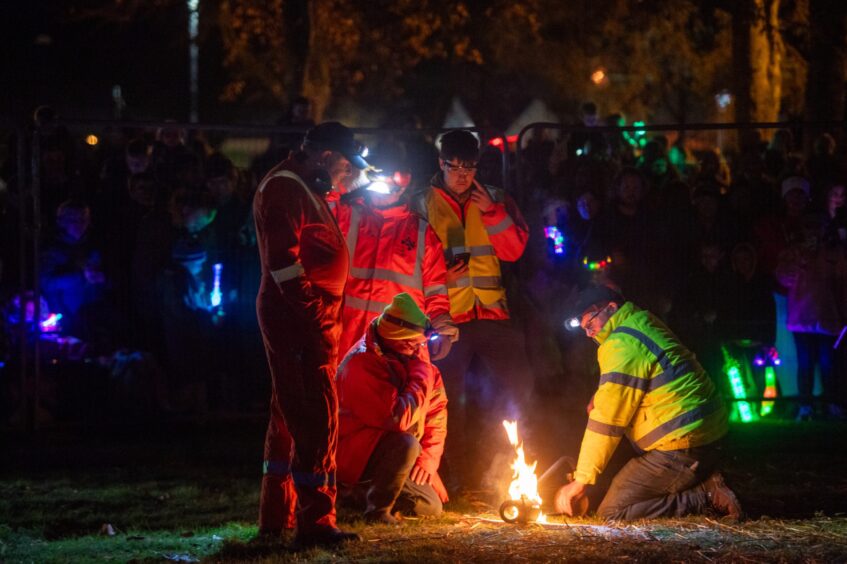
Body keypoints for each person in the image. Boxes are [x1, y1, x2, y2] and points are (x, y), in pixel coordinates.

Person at [254, 121, 366, 547]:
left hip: (302, 318)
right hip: (299, 321)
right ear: (324, 156)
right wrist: (318, 316)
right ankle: (316, 522)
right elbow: (286, 265)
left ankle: (277, 517)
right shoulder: (286, 189)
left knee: (289, 416)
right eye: (343, 166)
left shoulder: (302, 185)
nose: (345, 175)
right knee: (315, 416)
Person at [555, 284, 742, 521]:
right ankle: (704, 478)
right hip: (708, 433)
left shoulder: (620, 343)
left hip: (682, 445)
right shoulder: (641, 322)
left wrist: (580, 481)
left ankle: (705, 496)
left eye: (590, 324)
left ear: (611, 308)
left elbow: (607, 420)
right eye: (583, 329)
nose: (589, 334)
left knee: (612, 513)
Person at [411, 129, 530, 492]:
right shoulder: (420, 203)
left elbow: (514, 251)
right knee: (448, 403)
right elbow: (408, 260)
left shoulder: (496, 199)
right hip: (447, 320)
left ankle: (511, 464)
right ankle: (453, 473)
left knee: (517, 389)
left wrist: (491, 214)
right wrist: (441, 270)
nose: (463, 175)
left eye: (470, 167)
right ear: (441, 164)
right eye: (455, 167)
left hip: (494, 316)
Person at [334, 149, 457, 361]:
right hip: (347, 338)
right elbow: (317, 204)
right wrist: (350, 181)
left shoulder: (422, 232)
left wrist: (443, 328)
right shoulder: (346, 214)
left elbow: (436, 290)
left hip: (401, 346)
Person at [336, 293, 449, 524]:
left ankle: (360, 496)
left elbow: (437, 413)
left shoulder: (415, 360)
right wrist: (420, 376)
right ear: (393, 336)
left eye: (420, 343)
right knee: (406, 444)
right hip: (358, 455)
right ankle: (374, 509)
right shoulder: (362, 364)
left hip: (399, 452)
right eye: (412, 342)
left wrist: (428, 457)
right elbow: (397, 419)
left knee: (430, 506)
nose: (418, 347)